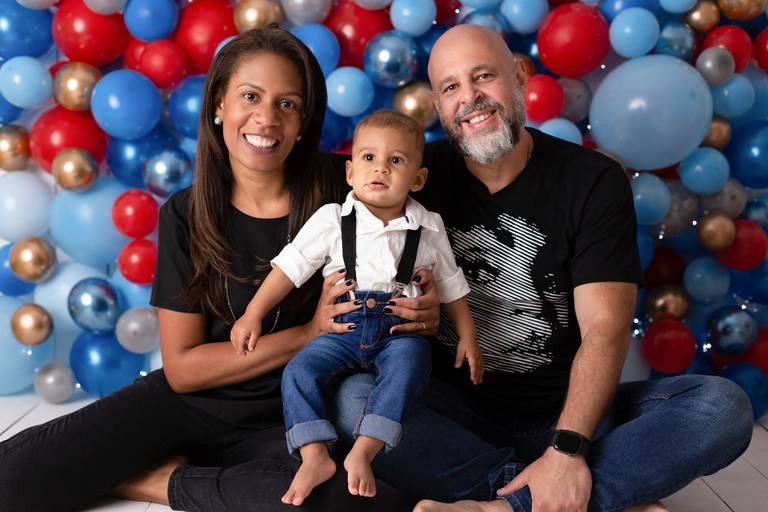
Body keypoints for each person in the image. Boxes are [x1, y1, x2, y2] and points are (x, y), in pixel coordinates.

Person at [0, 27, 435, 512]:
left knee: (357, 499)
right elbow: (184, 370)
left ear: (304, 120)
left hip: (299, 414)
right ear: (219, 105)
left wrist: (427, 308)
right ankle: (197, 473)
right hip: (194, 404)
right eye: (250, 96)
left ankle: (158, 482)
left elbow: (422, 250)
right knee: (11, 478)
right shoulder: (185, 213)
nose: (266, 118)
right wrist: (308, 333)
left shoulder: (354, 188)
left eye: (287, 104)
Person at [332, 24, 755, 512]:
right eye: (450, 87)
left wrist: (568, 448)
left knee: (721, 408)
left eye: (483, 76)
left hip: (573, 414)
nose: (469, 98)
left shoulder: (592, 179)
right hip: (454, 417)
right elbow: (356, 253)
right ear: (437, 104)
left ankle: (502, 505)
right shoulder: (413, 176)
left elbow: (605, 328)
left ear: (518, 76)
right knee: (353, 400)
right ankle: (578, 496)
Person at [230, 109, 483, 506]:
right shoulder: (333, 220)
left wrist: (468, 335)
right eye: (369, 157)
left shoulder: (428, 226)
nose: (380, 168)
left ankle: (365, 449)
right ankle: (314, 455)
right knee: (299, 371)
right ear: (350, 172)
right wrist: (253, 313)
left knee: (410, 364)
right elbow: (289, 269)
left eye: (395, 160)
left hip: (398, 332)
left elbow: (451, 285)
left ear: (417, 179)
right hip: (343, 330)